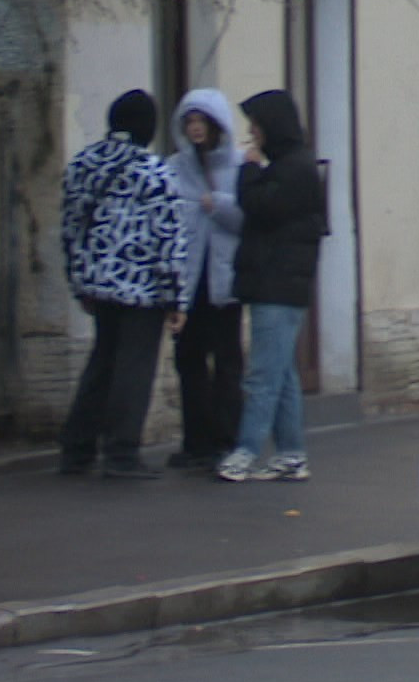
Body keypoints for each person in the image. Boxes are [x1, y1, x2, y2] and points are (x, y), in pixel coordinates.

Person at [58, 90, 190, 479]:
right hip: (142, 287)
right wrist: (176, 298)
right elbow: (170, 238)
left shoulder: (82, 163)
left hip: (97, 284)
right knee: (134, 368)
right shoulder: (154, 171)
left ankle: (77, 448)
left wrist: (77, 281)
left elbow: (69, 229)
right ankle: (121, 451)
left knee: (101, 362)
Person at [217, 90, 327, 483]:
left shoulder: (292, 170)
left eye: (257, 126)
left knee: (263, 375)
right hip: (279, 284)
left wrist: (248, 170)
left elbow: (260, 207)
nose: (252, 134)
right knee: (282, 375)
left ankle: (245, 452)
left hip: (278, 285)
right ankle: (291, 453)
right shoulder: (291, 165)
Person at [166, 89, 246, 470]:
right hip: (188, 281)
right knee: (188, 360)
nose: (196, 129)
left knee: (227, 362)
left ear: (216, 126)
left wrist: (221, 206)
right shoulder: (175, 168)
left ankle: (225, 439)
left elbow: (250, 219)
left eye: (202, 122)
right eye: (190, 123)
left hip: (225, 282)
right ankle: (195, 440)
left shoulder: (238, 165)